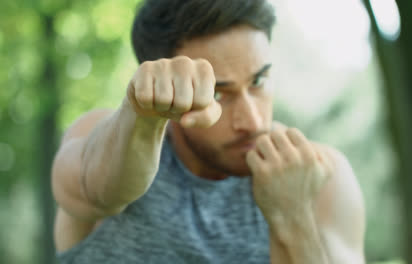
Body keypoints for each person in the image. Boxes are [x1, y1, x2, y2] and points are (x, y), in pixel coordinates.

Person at [51, 0, 366, 263]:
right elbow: (103, 188)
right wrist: (143, 115)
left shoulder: (321, 175)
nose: (253, 122)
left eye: (258, 81)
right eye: (217, 93)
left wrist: (294, 220)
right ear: (167, 85)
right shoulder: (108, 141)